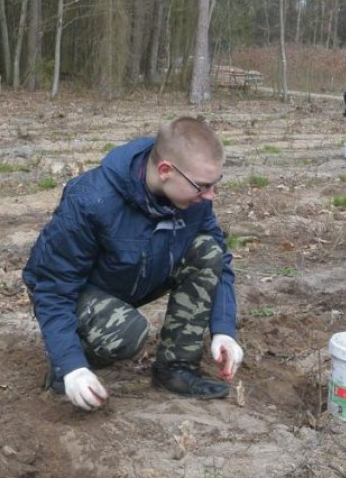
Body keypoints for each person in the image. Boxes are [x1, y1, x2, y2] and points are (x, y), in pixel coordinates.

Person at [23, 116, 243, 411]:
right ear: (165, 170)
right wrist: (70, 366)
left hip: (133, 275)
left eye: (215, 184)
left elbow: (219, 259)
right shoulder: (91, 201)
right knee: (126, 333)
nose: (210, 196)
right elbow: (52, 288)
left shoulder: (193, 200)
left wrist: (224, 330)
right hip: (77, 291)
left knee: (206, 250)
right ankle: (75, 364)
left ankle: (176, 369)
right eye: (202, 186)